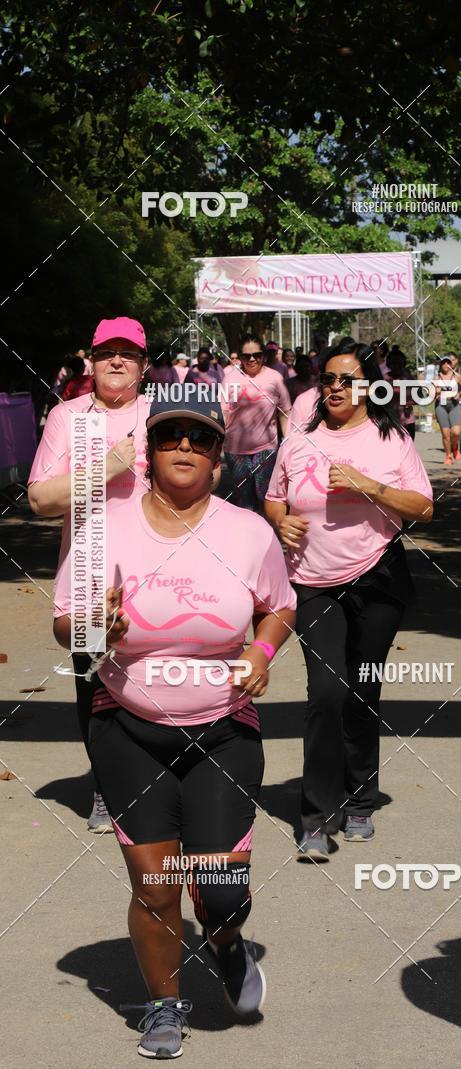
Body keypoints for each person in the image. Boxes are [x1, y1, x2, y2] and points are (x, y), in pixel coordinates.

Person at [53, 389, 296, 1059]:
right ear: (150, 452)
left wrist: (260, 650)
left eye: (201, 438)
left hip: (223, 727)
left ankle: (223, 938)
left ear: (219, 456)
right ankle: (164, 1003)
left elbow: (279, 606)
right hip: (127, 726)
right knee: (155, 884)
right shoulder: (105, 525)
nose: (185, 446)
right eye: (170, 436)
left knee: (218, 888)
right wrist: (94, 625)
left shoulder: (247, 532)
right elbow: (63, 622)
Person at [264, 342, 433, 860]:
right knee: (327, 693)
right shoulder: (299, 441)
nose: (336, 387)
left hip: (378, 576)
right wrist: (279, 520)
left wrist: (370, 486)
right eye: (328, 378)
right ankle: (315, 817)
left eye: (347, 379)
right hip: (314, 582)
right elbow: (274, 496)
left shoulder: (391, 438)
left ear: (368, 386)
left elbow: (422, 507)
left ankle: (359, 796)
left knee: (362, 690)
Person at [28, 316, 150, 832]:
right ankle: (107, 787)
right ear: (91, 362)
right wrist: (107, 467)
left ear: (144, 366)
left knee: (161, 674)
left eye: (127, 353)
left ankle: (159, 784)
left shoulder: (159, 414)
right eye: (106, 354)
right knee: (94, 684)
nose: (116, 361)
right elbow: (39, 498)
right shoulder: (67, 417)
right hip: (89, 570)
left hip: (161, 565)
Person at [222, 335, 290, 513]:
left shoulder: (274, 378)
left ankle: (267, 535)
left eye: (257, 355)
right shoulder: (230, 378)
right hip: (235, 449)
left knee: (265, 495)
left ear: (264, 356)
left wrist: (289, 442)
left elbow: (285, 412)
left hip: (266, 448)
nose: (252, 359)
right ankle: (248, 537)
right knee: (244, 500)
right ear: (240, 358)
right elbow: (224, 412)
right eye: (246, 356)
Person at [433, 356, 461, 464]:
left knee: (456, 432)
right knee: (445, 433)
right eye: (443, 363)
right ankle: (448, 456)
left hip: (453, 405)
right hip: (441, 405)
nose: (445, 365)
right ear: (441, 365)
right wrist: (436, 392)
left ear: (451, 365)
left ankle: (455, 447)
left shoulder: (456, 376)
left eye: (448, 363)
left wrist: (459, 394)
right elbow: (431, 393)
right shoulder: (436, 377)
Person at [386, 348, 416, 440]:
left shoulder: (408, 378)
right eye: (393, 363)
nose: (396, 366)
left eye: (399, 364)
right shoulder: (384, 379)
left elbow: (420, 397)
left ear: (403, 364)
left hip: (407, 421)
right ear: (389, 364)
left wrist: (410, 402)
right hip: (390, 422)